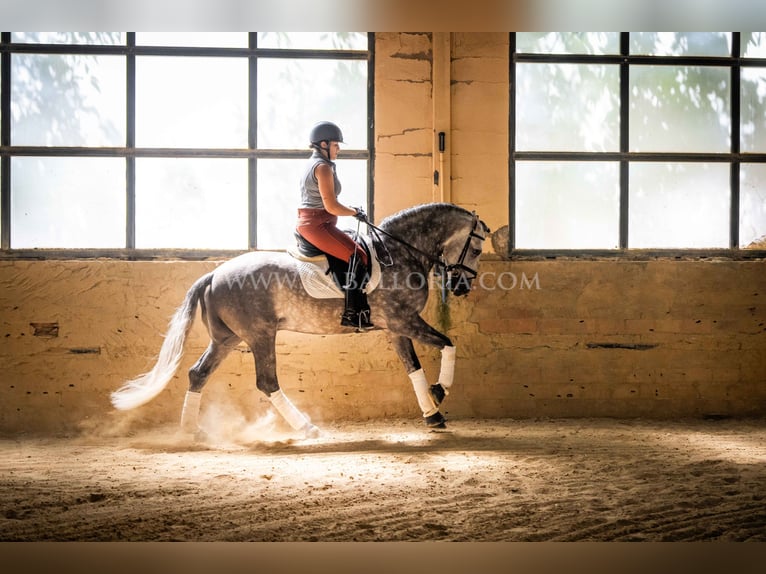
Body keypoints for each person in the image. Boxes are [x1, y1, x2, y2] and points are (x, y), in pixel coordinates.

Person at [296, 121, 373, 330]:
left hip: (322, 222)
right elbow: (331, 206)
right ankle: (351, 313)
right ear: (324, 144)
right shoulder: (322, 167)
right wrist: (354, 212)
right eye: (336, 145)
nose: (338, 149)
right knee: (357, 256)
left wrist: (350, 210)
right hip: (316, 224)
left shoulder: (319, 164)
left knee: (359, 253)